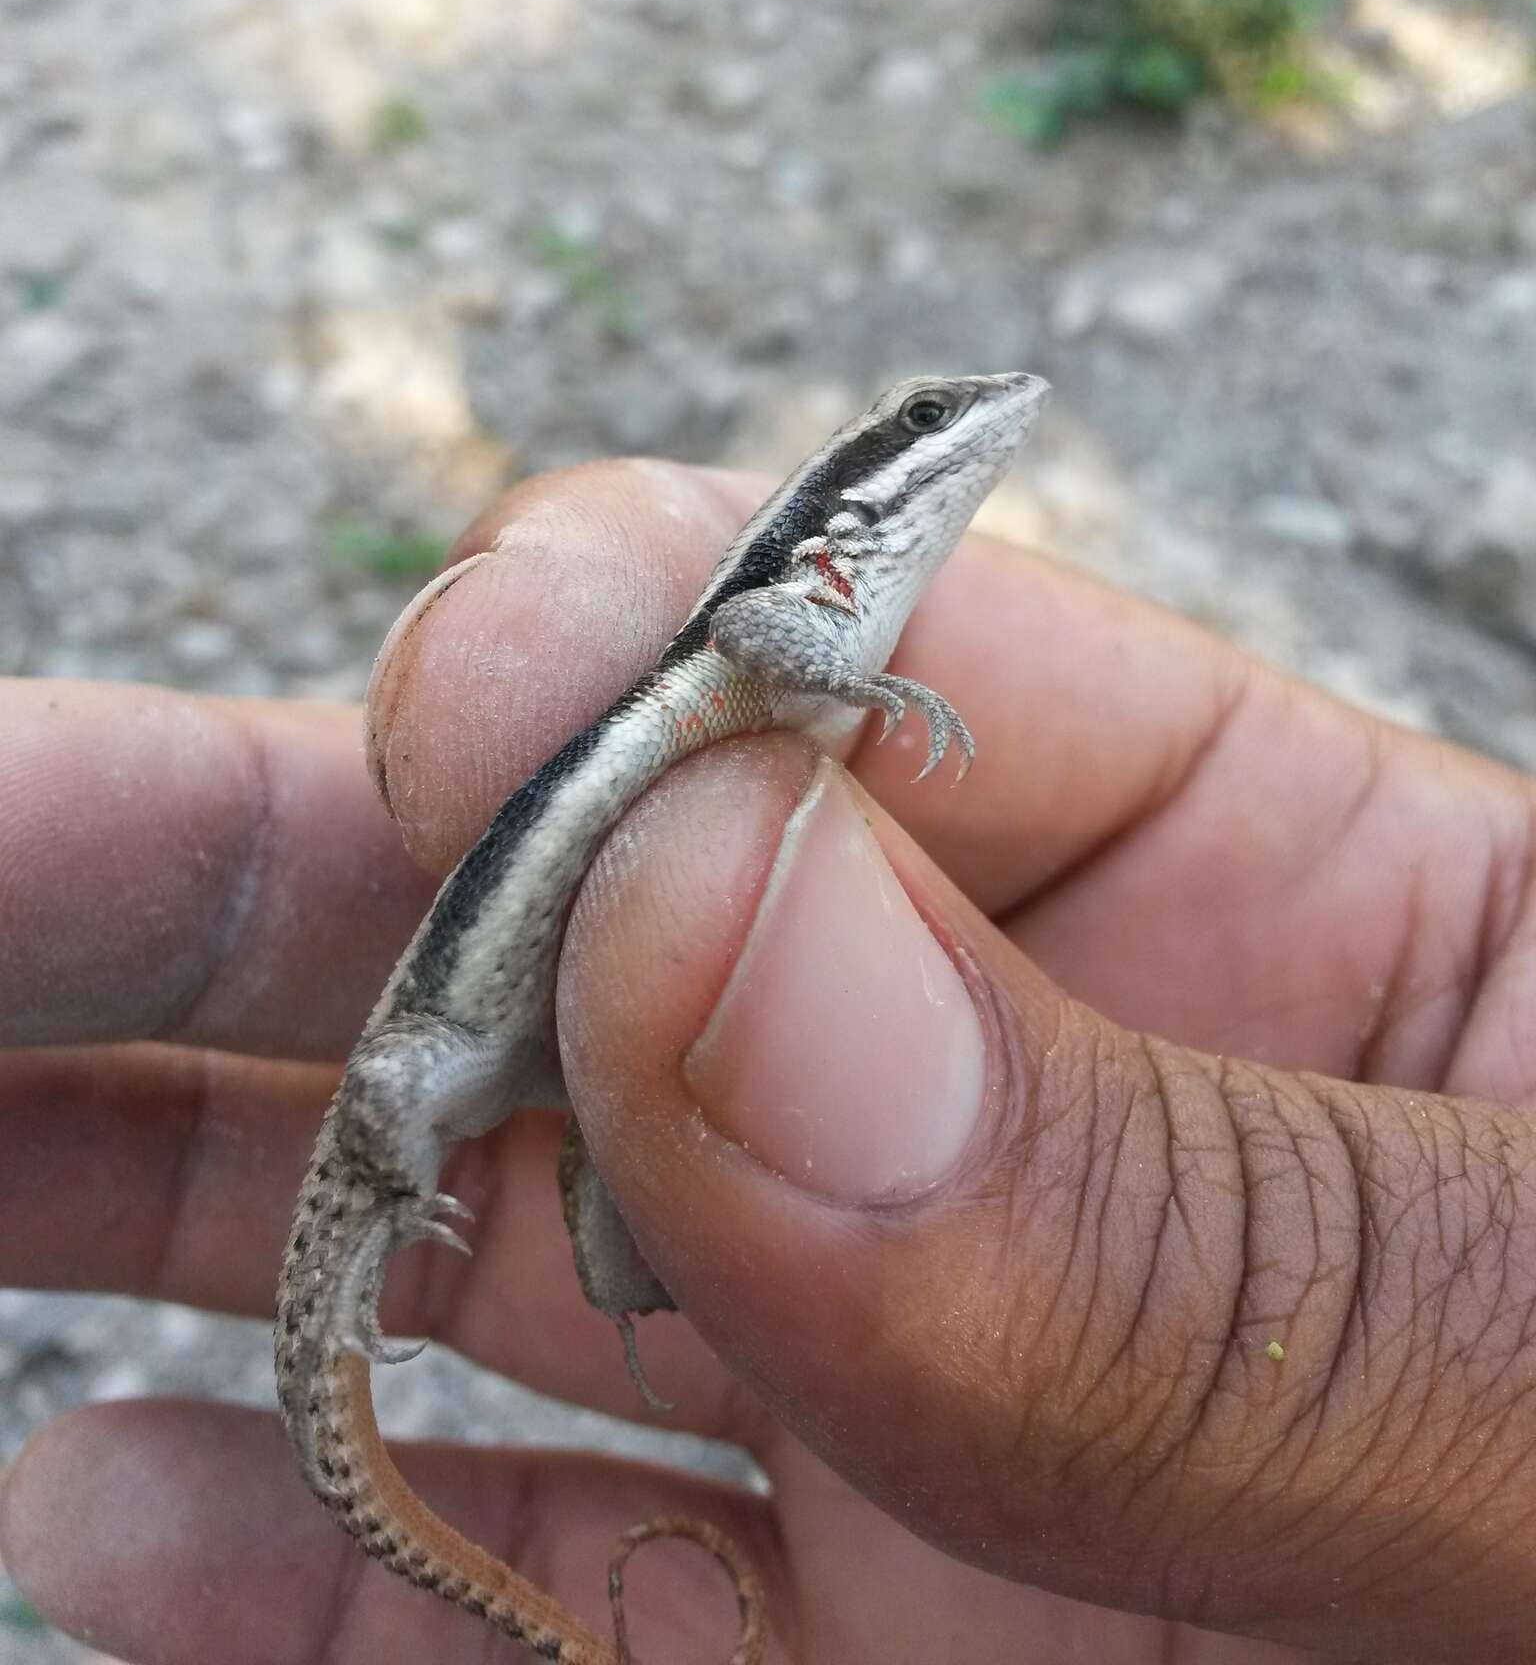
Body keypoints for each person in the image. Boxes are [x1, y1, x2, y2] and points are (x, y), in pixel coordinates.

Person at [2, 451, 1534, 1665]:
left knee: (612, 1115)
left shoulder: (788, 655)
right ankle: (437, 1272)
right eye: (929, 425)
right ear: (850, 506)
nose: (973, 426)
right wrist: (874, 686)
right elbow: (741, 627)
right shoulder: (766, 626)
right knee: (416, 1113)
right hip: (439, 1045)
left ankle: (625, 1284)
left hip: (554, 1022)